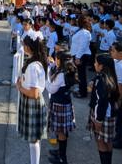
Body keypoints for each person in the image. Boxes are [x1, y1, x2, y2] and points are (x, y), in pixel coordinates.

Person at [16, 35, 48, 164]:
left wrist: (19, 87)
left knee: (33, 140)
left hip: (32, 102)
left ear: (28, 47)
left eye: (24, 45)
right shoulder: (36, 61)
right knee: (34, 140)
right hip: (31, 101)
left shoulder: (33, 66)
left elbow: (34, 93)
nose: (23, 47)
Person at [47, 50, 78, 164]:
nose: (55, 60)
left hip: (60, 106)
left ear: (60, 60)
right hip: (65, 104)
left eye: (56, 59)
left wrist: (46, 77)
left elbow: (51, 89)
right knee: (62, 132)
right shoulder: (68, 70)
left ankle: (62, 159)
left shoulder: (61, 75)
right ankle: (60, 153)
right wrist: (52, 65)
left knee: (61, 133)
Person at [87, 54, 119, 164]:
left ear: (101, 66)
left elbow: (100, 102)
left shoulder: (102, 80)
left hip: (101, 115)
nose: (94, 64)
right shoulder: (109, 76)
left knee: (101, 141)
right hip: (109, 115)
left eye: (96, 62)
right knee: (107, 142)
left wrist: (98, 120)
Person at [71, 15, 92, 98]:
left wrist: (78, 57)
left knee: (81, 75)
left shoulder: (84, 32)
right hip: (79, 55)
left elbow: (82, 46)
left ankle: (82, 93)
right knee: (80, 74)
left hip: (81, 56)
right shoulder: (82, 31)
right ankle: (81, 89)